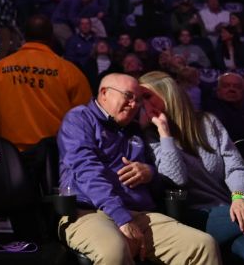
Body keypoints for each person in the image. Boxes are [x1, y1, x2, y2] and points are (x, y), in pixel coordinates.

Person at [56, 73, 219, 265]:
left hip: (140, 214)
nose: (134, 104)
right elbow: (87, 171)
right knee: (113, 250)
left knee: (203, 245)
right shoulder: (79, 118)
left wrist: (150, 173)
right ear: (104, 93)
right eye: (128, 96)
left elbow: (167, 181)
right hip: (88, 213)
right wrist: (121, 218)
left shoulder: (136, 130)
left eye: (138, 100)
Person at [139, 72, 244, 265]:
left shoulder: (207, 122)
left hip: (228, 209)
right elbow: (176, 179)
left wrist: (239, 196)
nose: (141, 103)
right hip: (192, 216)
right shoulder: (151, 136)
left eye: (146, 96)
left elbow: (236, 167)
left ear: (166, 93)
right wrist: (164, 132)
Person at [0, 14, 91, 151]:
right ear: (51, 38)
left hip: (12, 155)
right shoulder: (69, 71)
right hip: (55, 156)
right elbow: (84, 120)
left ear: (24, 37)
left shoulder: (1, 68)